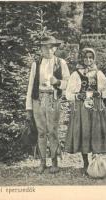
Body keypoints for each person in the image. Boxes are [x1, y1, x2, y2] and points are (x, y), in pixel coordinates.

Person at [26, 35, 70, 174]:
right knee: (41, 131)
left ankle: (55, 162)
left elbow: (68, 83)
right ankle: (42, 162)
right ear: (41, 48)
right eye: (44, 47)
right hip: (38, 99)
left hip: (53, 99)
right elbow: (30, 85)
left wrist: (57, 82)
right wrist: (28, 107)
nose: (48, 49)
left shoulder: (60, 62)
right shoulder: (36, 63)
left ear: (55, 48)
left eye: (51, 47)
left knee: (53, 131)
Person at [65, 48, 106, 174]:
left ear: (94, 58)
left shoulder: (99, 73)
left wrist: (100, 93)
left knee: (95, 131)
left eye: (91, 57)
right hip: (81, 107)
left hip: (96, 106)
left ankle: (96, 162)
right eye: (86, 57)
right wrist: (77, 96)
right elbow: (68, 94)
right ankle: (85, 162)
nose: (88, 60)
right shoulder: (76, 74)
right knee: (84, 131)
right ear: (81, 58)